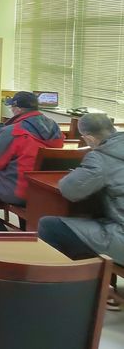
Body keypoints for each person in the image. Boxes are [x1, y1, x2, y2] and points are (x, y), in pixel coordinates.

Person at [0, 91, 64, 231]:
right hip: (45, 191)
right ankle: (25, 231)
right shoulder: (54, 128)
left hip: (19, 190)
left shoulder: (13, 131)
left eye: (12, 107)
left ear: (18, 109)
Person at [38, 113, 124, 266]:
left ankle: (72, 277)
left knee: (49, 226)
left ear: (89, 138)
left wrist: (77, 174)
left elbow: (70, 190)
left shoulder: (100, 157)